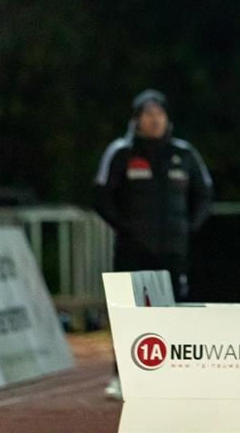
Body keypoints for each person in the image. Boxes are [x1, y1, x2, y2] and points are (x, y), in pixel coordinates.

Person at [94, 88, 212, 399]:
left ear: (167, 118)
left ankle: (172, 376)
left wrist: (188, 227)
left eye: (159, 113)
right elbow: (102, 195)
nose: (154, 119)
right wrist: (125, 227)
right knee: (127, 313)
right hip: (133, 250)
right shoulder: (121, 151)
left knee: (175, 311)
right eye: (147, 114)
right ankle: (121, 376)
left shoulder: (184, 153)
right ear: (136, 120)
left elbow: (205, 194)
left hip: (174, 251)